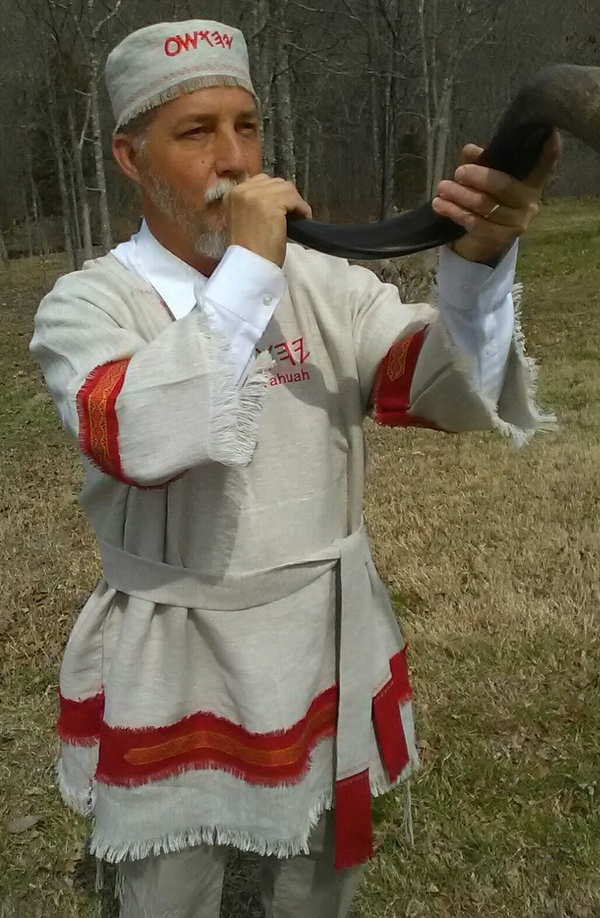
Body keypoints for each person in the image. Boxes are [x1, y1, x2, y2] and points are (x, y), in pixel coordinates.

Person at [30, 18, 558, 918]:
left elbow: (430, 386)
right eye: (196, 133)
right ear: (130, 155)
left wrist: (475, 269)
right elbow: (131, 433)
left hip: (323, 629)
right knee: (170, 886)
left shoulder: (320, 281)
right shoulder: (89, 302)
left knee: (320, 868)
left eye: (248, 126)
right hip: (178, 646)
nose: (235, 159)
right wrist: (247, 269)